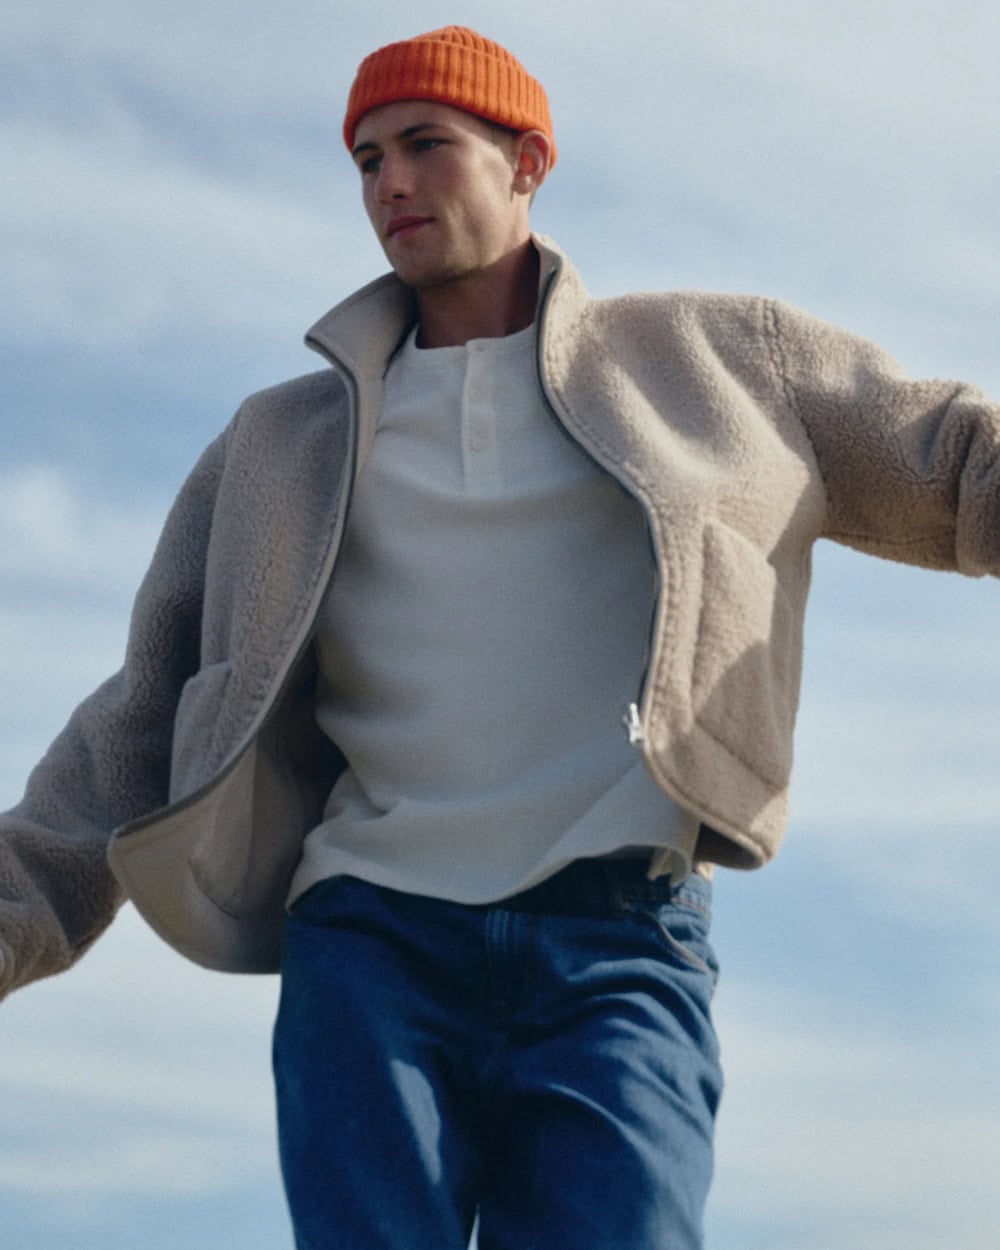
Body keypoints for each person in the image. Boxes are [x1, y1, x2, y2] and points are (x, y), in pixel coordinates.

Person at [2, 23, 999, 1250]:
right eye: (367, 159)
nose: (390, 183)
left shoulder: (716, 363)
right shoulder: (276, 445)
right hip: (368, 949)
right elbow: (135, 721)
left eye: (426, 144)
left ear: (528, 163)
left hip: (620, 939)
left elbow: (955, 459)